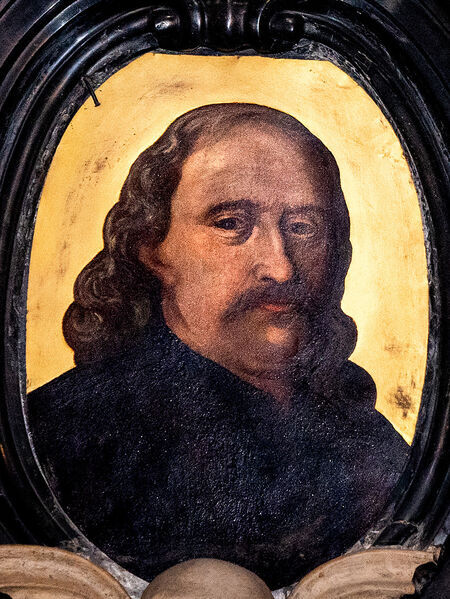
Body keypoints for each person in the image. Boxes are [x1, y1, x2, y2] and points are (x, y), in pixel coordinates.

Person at [28, 103, 409, 589]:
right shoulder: (66, 432)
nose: (280, 268)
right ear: (152, 246)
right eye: (231, 224)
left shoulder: (369, 441)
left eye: (303, 227)